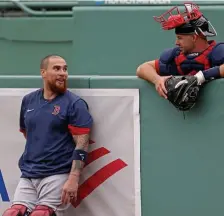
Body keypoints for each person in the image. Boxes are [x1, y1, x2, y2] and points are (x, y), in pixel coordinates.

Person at [2, 55, 93, 216]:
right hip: (29, 174)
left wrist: (73, 178)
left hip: (57, 174)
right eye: (56, 68)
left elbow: (82, 144)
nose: (63, 73)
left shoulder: (74, 104)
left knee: (42, 214)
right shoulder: (29, 101)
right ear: (43, 72)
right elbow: (28, 134)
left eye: (65, 69)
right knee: (13, 213)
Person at [136, 2, 224, 99]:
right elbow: (142, 68)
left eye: (180, 38)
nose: (176, 42)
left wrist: (201, 77)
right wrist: (157, 80)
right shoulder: (177, 57)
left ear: (194, 37)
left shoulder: (217, 52)